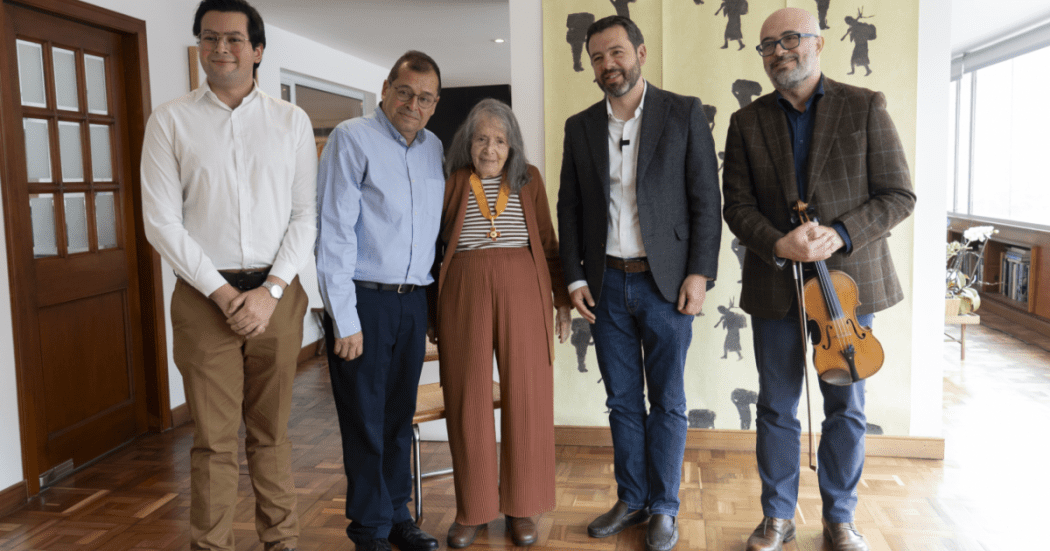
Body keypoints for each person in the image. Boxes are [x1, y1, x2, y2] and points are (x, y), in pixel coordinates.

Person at [721, 8, 915, 551]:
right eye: (768, 46)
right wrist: (777, 243)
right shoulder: (746, 121)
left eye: (791, 39)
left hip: (848, 289)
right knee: (776, 406)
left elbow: (899, 195)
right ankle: (777, 517)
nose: (780, 51)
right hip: (775, 282)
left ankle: (839, 518)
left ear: (819, 43)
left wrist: (842, 234)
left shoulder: (866, 105)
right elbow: (734, 205)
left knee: (846, 407)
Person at [140, 1, 315, 549]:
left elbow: (304, 215)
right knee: (213, 441)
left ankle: (280, 540)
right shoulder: (169, 120)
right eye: (209, 37)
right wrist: (220, 292)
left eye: (234, 39)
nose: (220, 48)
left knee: (270, 434)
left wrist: (271, 290)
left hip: (278, 295)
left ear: (257, 50)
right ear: (199, 45)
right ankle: (211, 545)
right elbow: (161, 222)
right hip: (201, 297)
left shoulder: (291, 121)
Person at [557, 15, 722, 551]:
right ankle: (632, 499)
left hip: (666, 284)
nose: (609, 64)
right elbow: (571, 206)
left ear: (640, 52)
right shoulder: (579, 126)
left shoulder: (684, 112)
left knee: (668, 401)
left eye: (617, 52)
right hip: (605, 286)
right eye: (598, 57)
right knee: (622, 402)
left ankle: (665, 508)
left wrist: (699, 273)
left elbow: (706, 200)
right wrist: (575, 276)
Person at [315, 51, 444, 551]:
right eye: (405, 91)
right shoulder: (352, 139)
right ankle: (368, 531)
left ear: (435, 104)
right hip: (363, 303)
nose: (413, 104)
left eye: (425, 97)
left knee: (397, 417)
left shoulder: (434, 148)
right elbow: (333, 233)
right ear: (386, 87)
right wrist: (342, 318)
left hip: (413, 303)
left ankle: (396, 517)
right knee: (365, 421)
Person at [432, 99, 572, 548]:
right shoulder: (453, 182)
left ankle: (521, 508)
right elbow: (434, 247)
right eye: (480, 139)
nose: (489, 149)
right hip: (464, 293)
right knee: (466, 396)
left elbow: (549, 244)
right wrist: (430, 311)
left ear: (511, 146)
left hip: (524, 293)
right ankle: (472, 509)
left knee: (527, 398)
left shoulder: (528, 180)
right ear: (467, 144)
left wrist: (562, 300)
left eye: (498, 140)